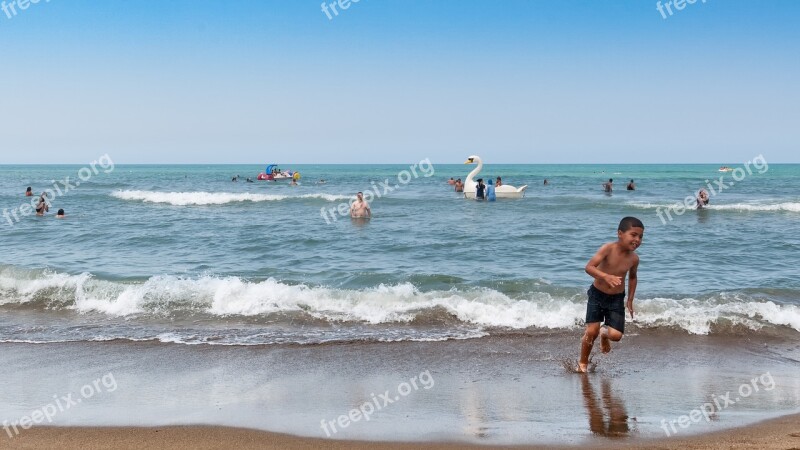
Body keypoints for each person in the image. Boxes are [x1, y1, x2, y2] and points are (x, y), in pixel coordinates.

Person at [578, 216, 644, 373]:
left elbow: (633, 277)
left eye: (641, 236)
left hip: (616, 298)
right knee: (591, 331)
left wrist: (630, 300)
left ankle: (604, 334)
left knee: (616, 335)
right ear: (620, 233)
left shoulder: (634, 259)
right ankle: (582, 363)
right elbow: (589, 267)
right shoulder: (608, 249)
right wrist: (605, 276)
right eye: (633, 235)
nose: (637, 239)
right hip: (597, 295)